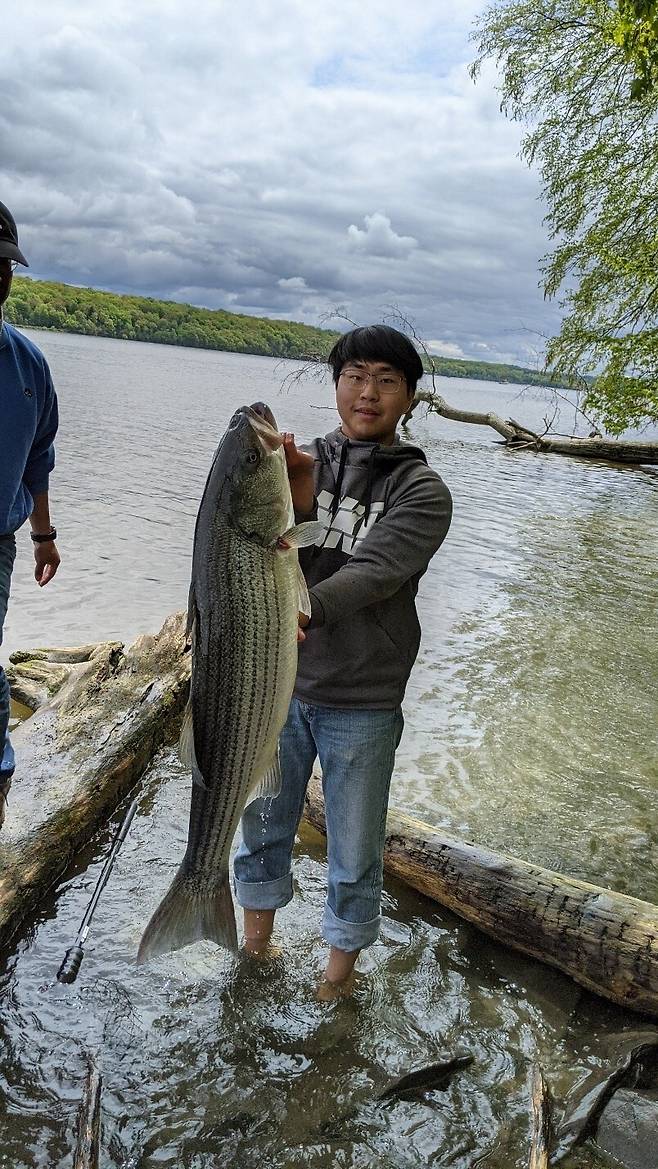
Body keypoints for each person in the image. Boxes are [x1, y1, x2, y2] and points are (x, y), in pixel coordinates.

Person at [234, 324, 452, 997]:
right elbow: (268, 540)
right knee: (263, 823)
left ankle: (336, 984)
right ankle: (255, 951)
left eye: (387, 379)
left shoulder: (424, 491)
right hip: (280, 685)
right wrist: (294, 487)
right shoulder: (301, 464)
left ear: (409, 396)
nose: (368, 391)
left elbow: (376, 571)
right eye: (355, 375)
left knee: (354, 854)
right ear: (336, 384)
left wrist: (300, 610)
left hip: (363, 698)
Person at [0, 199, 60, 828]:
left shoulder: (28, 364)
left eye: (5, 264)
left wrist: (44, 534)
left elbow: (38, 456)